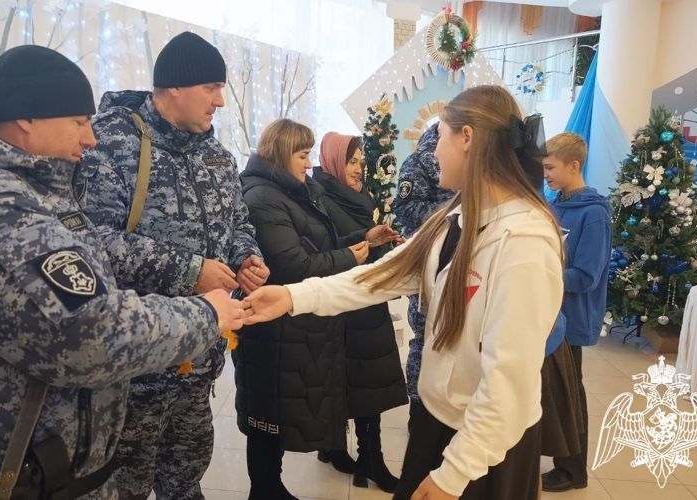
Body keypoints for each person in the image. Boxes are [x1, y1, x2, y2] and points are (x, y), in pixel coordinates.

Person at [0, 45, 247, 499]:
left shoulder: (25, 192)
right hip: (19, 476)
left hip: (48, 470)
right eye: (79, 122)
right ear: (28, 118)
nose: (91, 139)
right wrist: (206, 315)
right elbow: (91, 335)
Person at [241, 85, 565, 500]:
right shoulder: (455, 218)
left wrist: (456, 472)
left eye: (440, 137)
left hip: (484, 447)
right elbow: (378, 277)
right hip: (436, 424)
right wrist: (292, 298)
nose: (432, 153)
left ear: (467, 138)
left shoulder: (523, 242)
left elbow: (509, 384)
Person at [80, 32, 269, 500]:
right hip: (138, 366)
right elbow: (94, 241)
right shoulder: (109, 145)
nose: (220, 102)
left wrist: (246, 257)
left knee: (185, 478)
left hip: (201, 356)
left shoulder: (216, 156)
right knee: (126, 484)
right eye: (211, 88)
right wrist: (190, 271)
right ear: (175, 88)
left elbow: (237, 221)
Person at [235, 118, 400, 499]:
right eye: (302, 154)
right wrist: (349, 257)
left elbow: (320, 243)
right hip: (272, 322)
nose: (308, 164)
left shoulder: (295, 191)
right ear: (279, 155)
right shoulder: (262, 198)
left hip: (291, 322)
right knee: (267, 415)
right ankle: (265, 489)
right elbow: (293, 265)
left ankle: (269, 487)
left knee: (276, 410)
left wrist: (363, 238)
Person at [313, 132, 407, 492]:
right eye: (351, 161)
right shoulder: (319, 195)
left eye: (360, 162)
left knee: (367, 377)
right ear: (334, 161)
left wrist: (375, 241)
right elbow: (328, 243)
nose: (358, 168)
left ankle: (358, 453)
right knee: (354, 377)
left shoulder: (355, 196)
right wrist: (367, 240)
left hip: (364, 295)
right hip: (342, 298)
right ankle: (353, 454)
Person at [540, 132, 612, 493]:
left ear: (574, 165)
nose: (546, 174)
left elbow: (586, 276)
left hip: (573, 318)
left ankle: (573, 471)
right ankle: (561, 460)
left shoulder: (594, 215)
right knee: (556, 394)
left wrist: (542, 271)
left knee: (570, 397)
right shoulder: (555, 204)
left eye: (551, 167)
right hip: (550, 316)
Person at [392, 123, 456, 404]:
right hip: (428, 262)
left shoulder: (474, 159)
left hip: (462, 263)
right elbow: (405, 209)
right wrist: (456, 211)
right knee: (425, 334)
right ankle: (419, 404)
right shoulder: (420, 160)